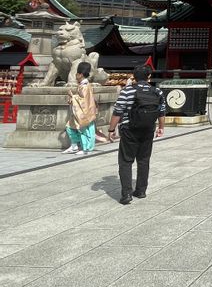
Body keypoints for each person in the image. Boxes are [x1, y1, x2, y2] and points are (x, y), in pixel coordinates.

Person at [108, 65, 166, 205]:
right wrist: (161, 128)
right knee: (144, 160)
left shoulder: (127, 91)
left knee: (126, 161)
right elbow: (162, 111)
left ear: (134, 77)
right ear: (149, 77)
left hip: (129, 129)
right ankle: (141, 190)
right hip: (148, 129)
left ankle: (126, 194)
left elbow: (118, 111)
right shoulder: (157, 91)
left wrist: (111, 130)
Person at [63, 62, 97, 155]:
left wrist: (72, 96)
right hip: (81, 111)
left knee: (83, 130)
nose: (75, 76)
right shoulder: (83, 85)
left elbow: (83, 101)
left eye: (76, 74)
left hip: (84, 113)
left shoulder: (85, 86)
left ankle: (85, 148)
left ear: (80, 74)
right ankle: (74, 146)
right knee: (70, 126)